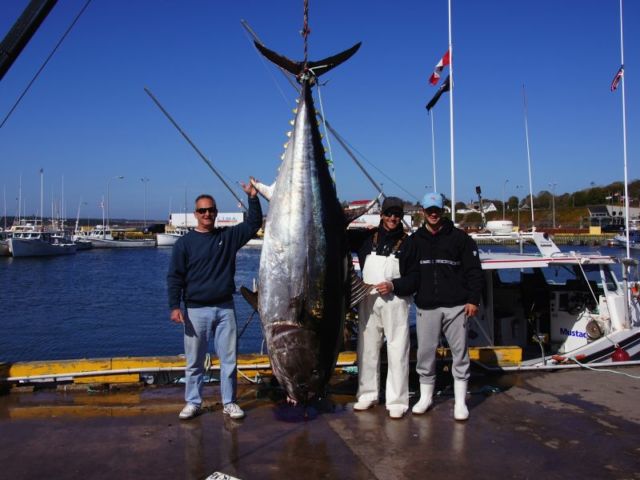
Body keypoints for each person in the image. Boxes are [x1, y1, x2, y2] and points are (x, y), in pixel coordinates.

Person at [379, 192, 483, 421]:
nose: (433, 214)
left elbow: (474, 271)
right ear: (423, 212)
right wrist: (393, 283)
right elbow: (404, 270)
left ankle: (460, 402)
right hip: (426, 307)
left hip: (457, 307)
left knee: (460, 354)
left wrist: (473, 299)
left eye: (437, 210)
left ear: (443, 211)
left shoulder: (460, 239)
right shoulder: (414, 240)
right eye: (429, 210)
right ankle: (425, 397)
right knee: (425, 354)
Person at [167, 180, 262, 420]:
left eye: (211, 210)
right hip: (195, 311)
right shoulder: (184, 244)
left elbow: (253, 223)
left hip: (225, 309)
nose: (207, 214)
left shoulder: (227, 237)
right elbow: (174, 277)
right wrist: (174, 306)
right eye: (202, 210)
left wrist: (252, 196)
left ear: (216, 213)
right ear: (195, 214)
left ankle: (229, 402)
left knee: (229, 361)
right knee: (194, 362)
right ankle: (193, 402)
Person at [348, 196, 412, 419]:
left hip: (395, 302)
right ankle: (367, 394)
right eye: (389, 214)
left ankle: (397, 400)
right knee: (366, 348)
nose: (393, 218)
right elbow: (337, 237)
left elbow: (415, 278)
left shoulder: (409, 243)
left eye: (397, 215)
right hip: (368, 301)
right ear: (381, 215)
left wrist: (394, 285)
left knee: (397, 350)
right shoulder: (365, 238)